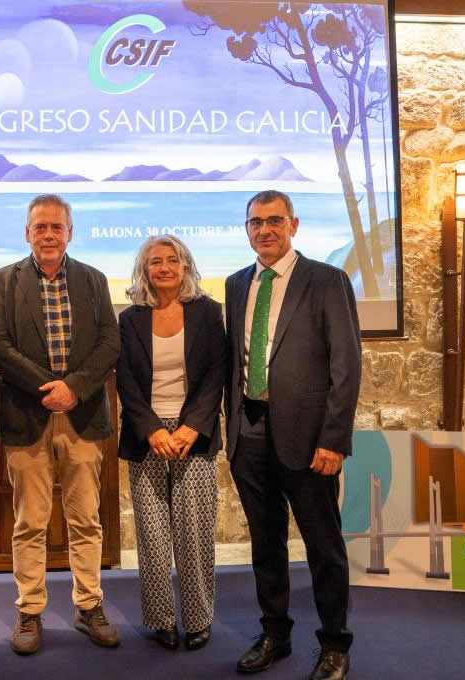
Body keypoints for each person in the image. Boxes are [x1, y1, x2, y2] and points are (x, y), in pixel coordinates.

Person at [224, 190, 361, 680]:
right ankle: (274, 635)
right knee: (266, 545)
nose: (265, 229)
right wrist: (232, 432)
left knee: (324, 547)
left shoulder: (326, 281)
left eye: (274, 220)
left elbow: (346, 366)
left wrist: (334, 439)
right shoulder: (237, 283)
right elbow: (234, 366)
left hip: (309, 442)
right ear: (247, 229)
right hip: (250, 435)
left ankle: (334, 644)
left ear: (294, 225)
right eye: (256, 222)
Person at [0, 193, 122, 655]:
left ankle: (88, 605)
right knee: (30, 522)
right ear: (27, 233)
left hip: (81, 418)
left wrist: (75, 388)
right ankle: (30, 610)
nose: (48, 234)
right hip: (27, 417)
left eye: (56, 227)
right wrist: (50, 388)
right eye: (39, 227)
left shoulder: (93, 280)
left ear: (69, 233)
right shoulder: (5, 281)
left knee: (86, 520)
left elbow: (109, 342)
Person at [116, 235, 225, 651]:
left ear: (185, 266)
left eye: (172, 260)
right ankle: (161, 618)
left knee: (194, 531)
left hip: (193, 435)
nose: (164, 267)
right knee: (153, 531)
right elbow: (124, 379)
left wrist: (192, 427)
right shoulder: (129, 319)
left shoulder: (208, 313)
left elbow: (216, 373)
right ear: (144, 270)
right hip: (148, 436)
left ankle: (198, 618)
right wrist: (153, 429)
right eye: (155, 261)